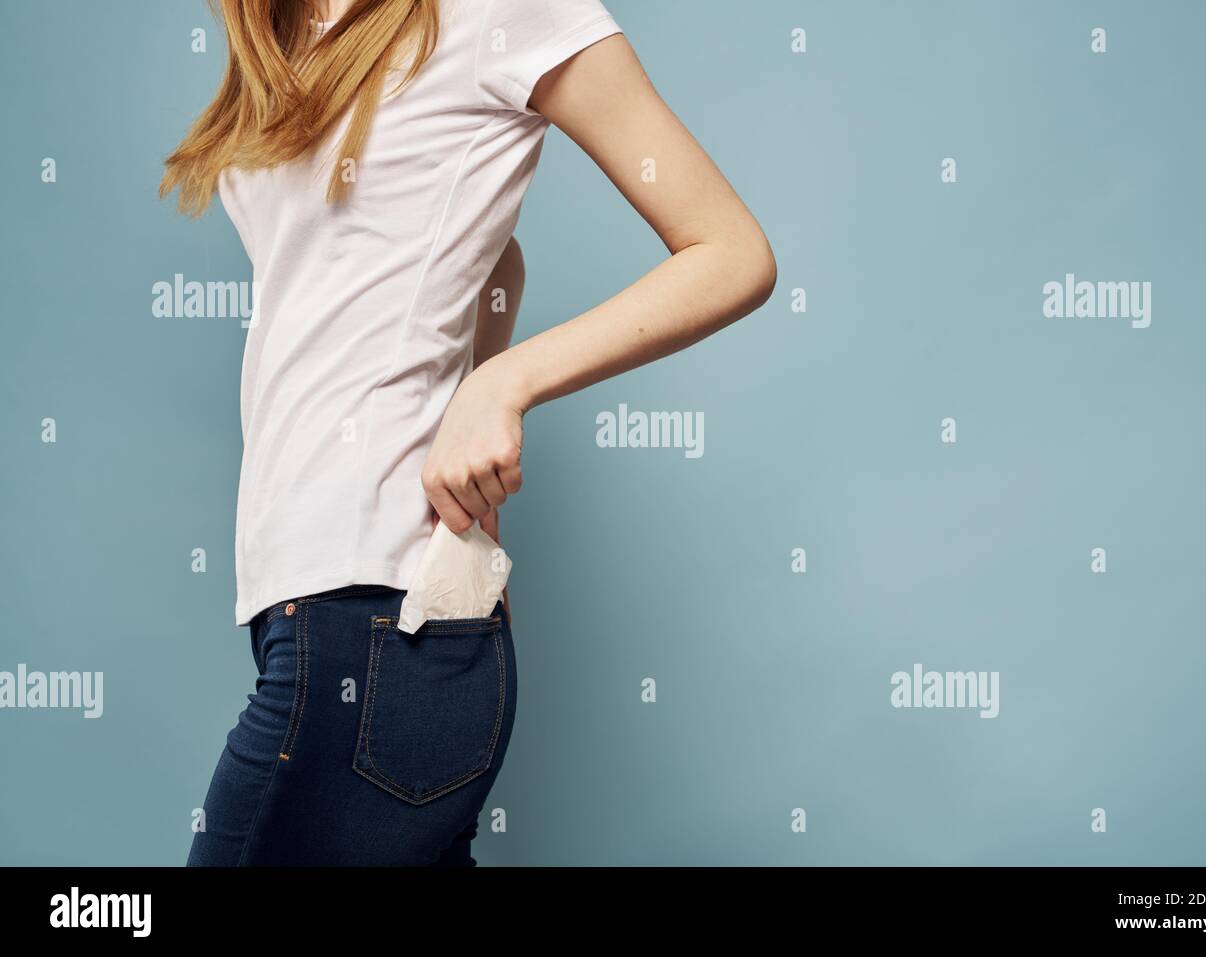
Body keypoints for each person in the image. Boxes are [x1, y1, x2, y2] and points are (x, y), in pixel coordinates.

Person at [163, 0, 776, 866]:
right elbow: (485, 257)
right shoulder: (289, 30)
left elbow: (732, 251)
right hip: (335, 607)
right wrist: (475, 491)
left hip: (378, 613)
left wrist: (502, 382)